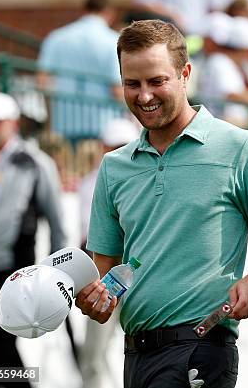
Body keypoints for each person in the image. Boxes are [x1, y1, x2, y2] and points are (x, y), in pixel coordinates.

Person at [74, 20, 248, 388]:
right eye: (132, 83)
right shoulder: (113, 166)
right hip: (135, 356)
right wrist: (94, 299)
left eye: (156, 81)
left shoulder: (240, 147)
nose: (144, 95)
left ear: (185, 74)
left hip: (202, 349)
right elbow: (104, 279)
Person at [0, 91, 67, 388]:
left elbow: (57, 222)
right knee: (1, 342)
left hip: (18, 267)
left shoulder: (34, 162)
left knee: (1, 338)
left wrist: (55, 272)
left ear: (13, 123)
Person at [77, 117, 139, 388]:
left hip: (140, 276)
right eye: (113, 146)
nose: (118, 151)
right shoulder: (90, 184)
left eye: (123, 145)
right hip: (107, 279)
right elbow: (89, 240)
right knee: (94, 353)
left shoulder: (148, 181)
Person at [37, 0, 124, 142]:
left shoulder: (56, 37)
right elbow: (117, 89)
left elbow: (42, 81)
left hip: (64, 124)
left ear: (84, 10)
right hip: (103, 127)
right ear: (109, 13)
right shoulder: (113, 41)